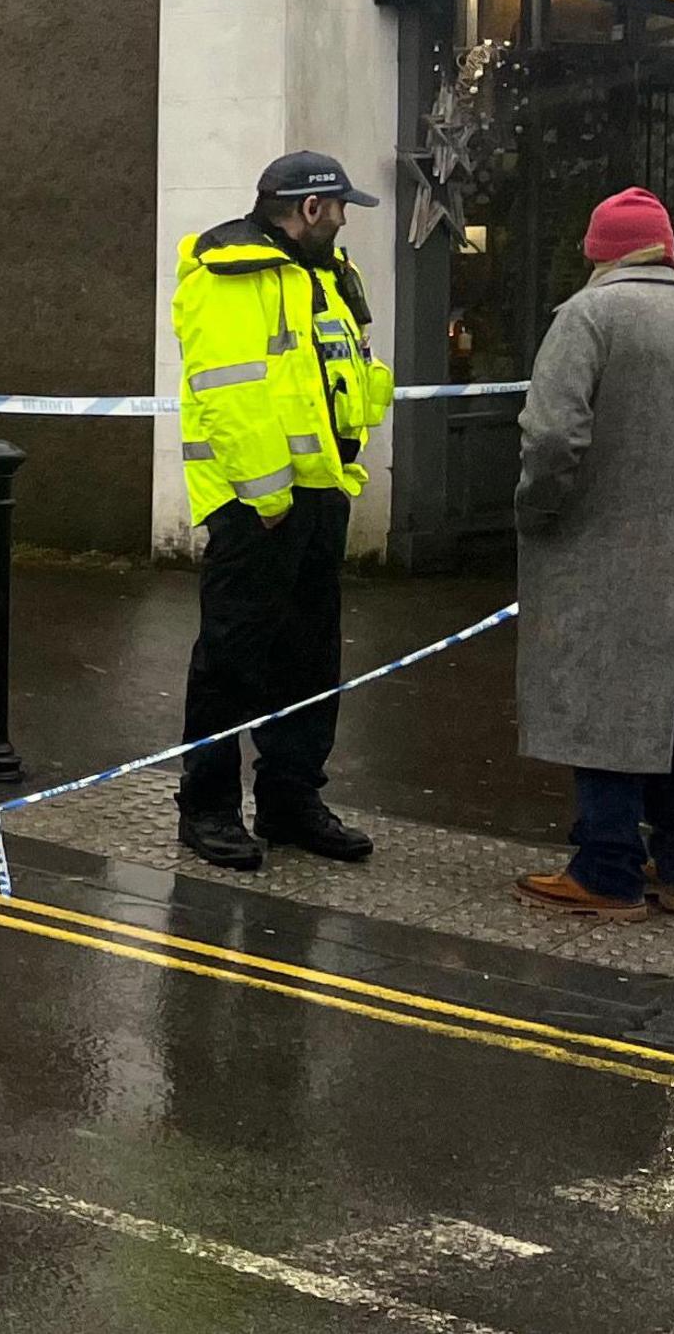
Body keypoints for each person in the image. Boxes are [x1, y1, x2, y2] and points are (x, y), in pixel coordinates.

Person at [512, 188, 674, 921]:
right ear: (666, 246)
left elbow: (551, 438)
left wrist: (537, 508)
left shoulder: (589, 316)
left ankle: (606, 868)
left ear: (598, 253)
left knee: (602, 699)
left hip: (600, 546)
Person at [170, 151, 395, 870]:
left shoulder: (321, 273)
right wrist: (268, 497)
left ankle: (290, 799)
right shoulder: (233, 275)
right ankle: (207, 807)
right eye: (338, 207)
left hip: (320, 492)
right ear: (307, 208)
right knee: (231, 663)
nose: (343, 218)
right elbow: (230, 394)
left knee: (309, 657)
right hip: (256, 506)